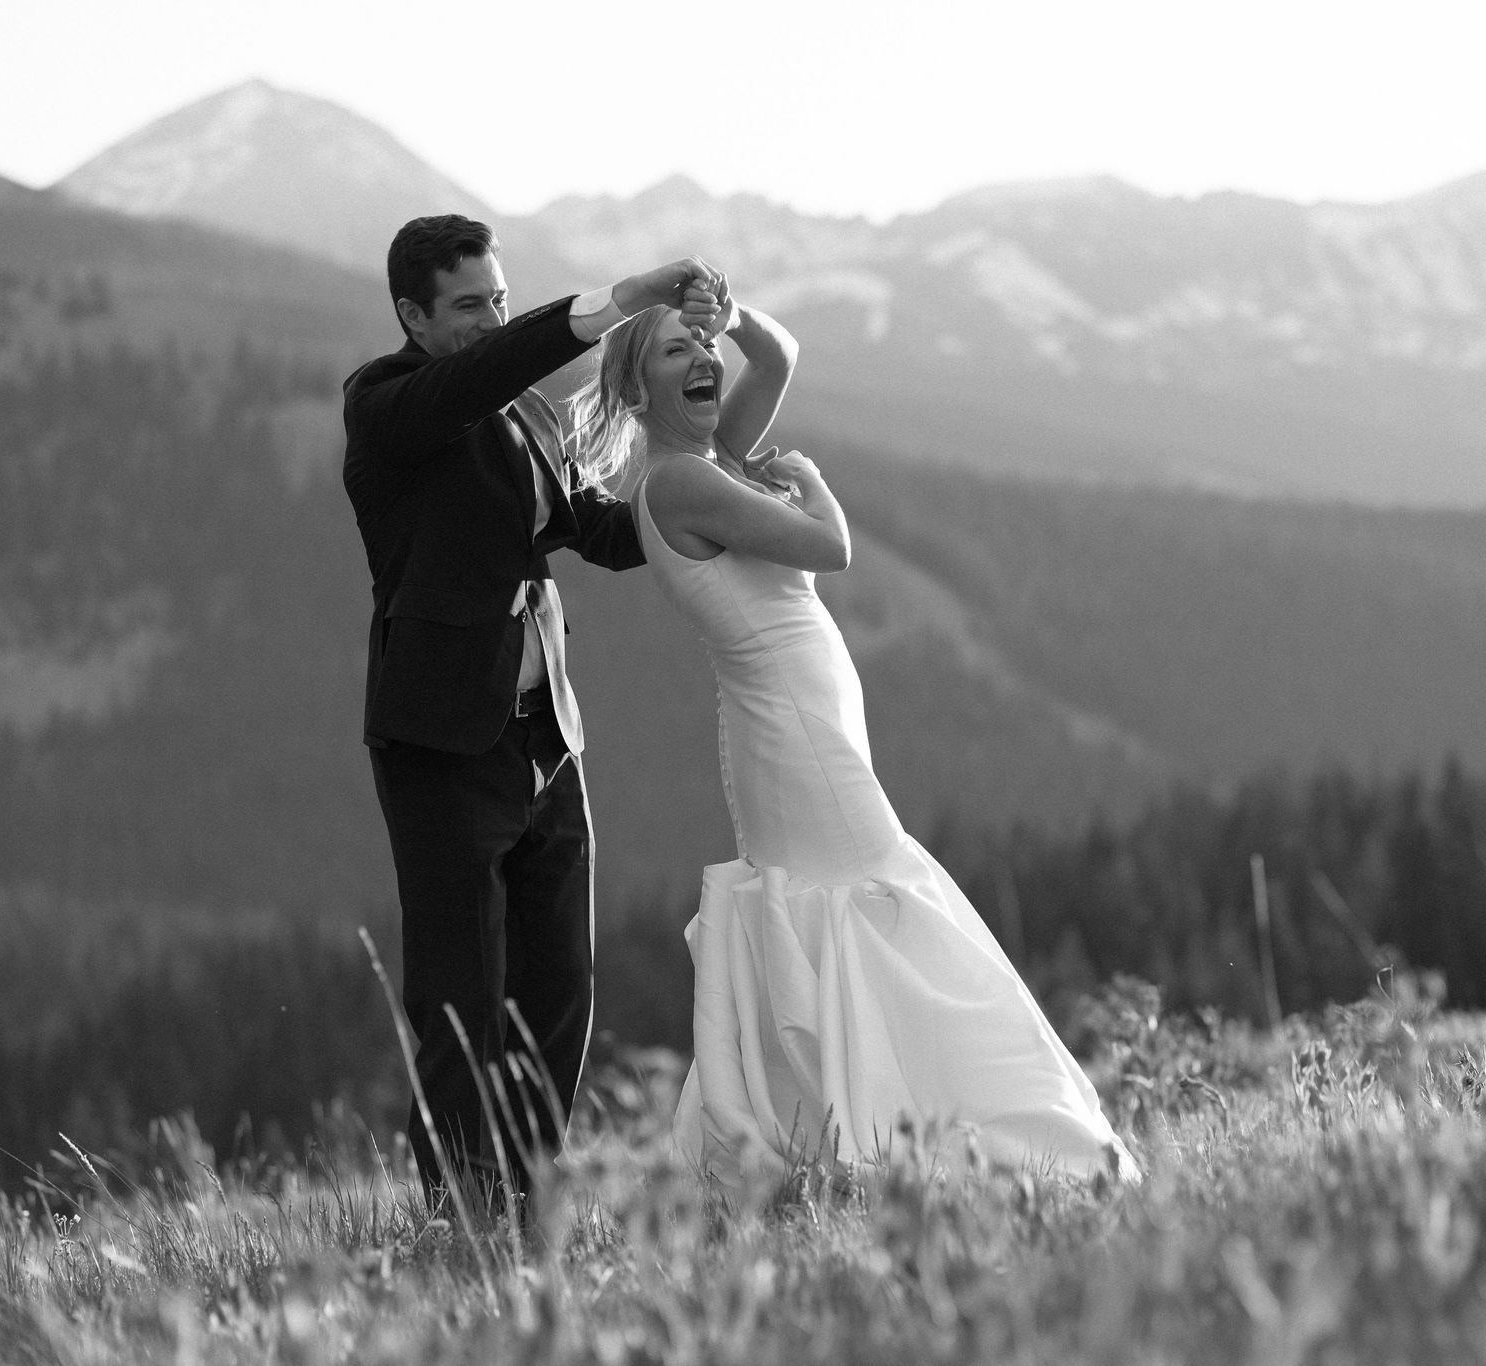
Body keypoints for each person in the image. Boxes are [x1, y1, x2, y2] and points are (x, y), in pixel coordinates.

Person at [570, 287, 1139, 1192]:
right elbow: (826, 548)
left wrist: (728, 311)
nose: (703, 362)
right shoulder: (681, 479)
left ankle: (835, 1129)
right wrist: (817, 484)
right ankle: (965, 1130)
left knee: (841, 907)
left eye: (703, 347)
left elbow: (781, 356)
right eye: (675, 353)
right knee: (870, 896)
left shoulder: (710, 456)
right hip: (790, 730)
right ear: (639, 392)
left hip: (795, 721)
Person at [342, 213, 724, 1201]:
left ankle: (524, 1188)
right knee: (457, 997)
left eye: (501, 301)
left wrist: (709, 504)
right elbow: (482, 374)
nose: (490, 322)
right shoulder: (385, 406)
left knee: (559, 990)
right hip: (439, 748)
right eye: (469, 306)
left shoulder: (535, 421)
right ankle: (460, 1207)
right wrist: (629, 295)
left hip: (547, 742)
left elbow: (596, 534)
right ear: (412, 316)